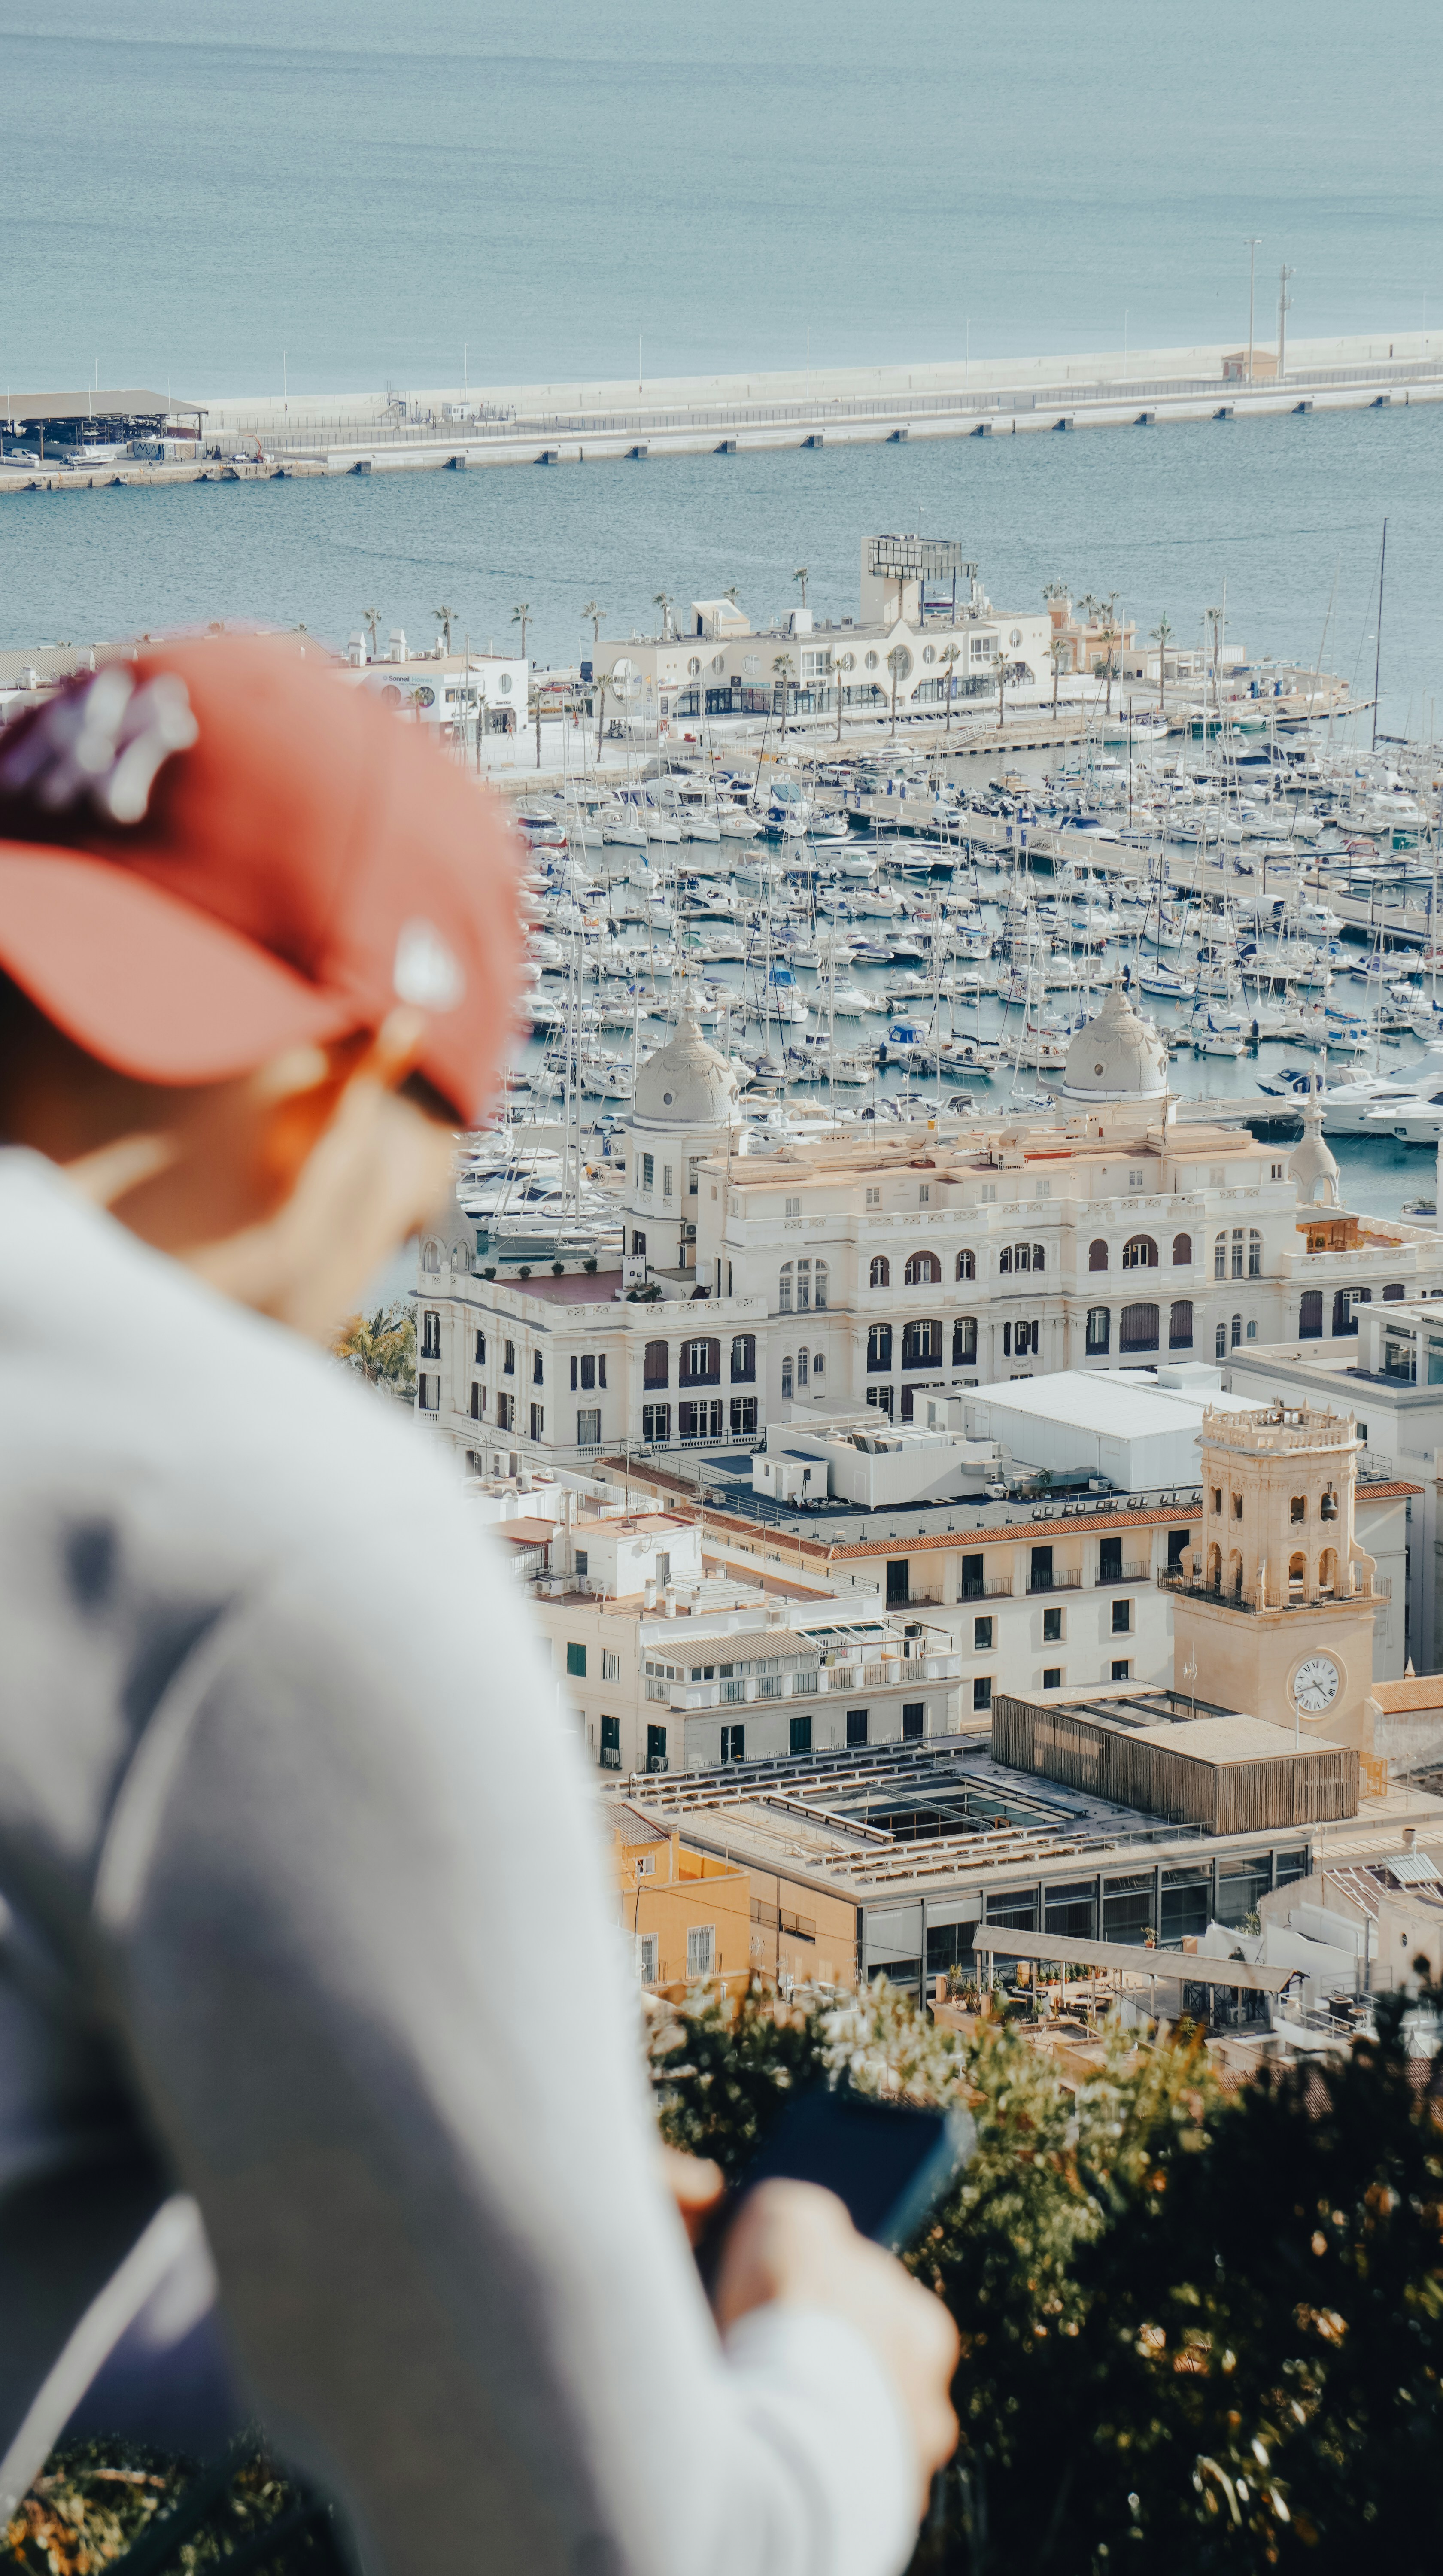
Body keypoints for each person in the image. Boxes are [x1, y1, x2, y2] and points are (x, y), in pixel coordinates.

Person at [0, 638, 957, 2574]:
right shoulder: (255, 1518)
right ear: (332, 1093)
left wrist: (387, 2218)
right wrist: (834, 2380)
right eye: (415, 1212)